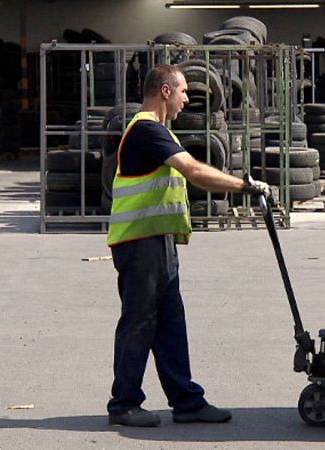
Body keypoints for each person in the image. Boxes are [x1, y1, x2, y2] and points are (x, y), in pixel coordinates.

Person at [105, 64, 271, 427]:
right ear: (165, 91)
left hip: (158, 240)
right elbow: (194, 172)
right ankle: (123, 404)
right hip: (139, 243)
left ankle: (187, 401)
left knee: (170, 323)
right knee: (139, 321)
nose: (186, 99)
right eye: (182, 92)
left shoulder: (159, 131)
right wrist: (244, 186)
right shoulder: (146, 130)